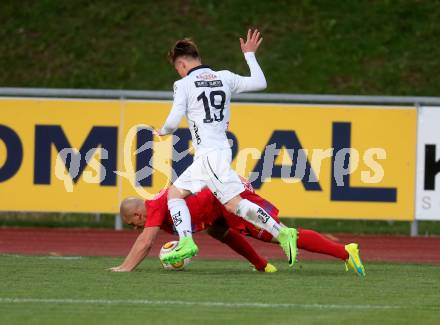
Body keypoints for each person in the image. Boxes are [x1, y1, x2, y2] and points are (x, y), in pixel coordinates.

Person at [155, 29, 298, 266]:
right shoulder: (224, 77)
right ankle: (186, 241)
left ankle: (282, 232)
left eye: (177, 68)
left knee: (234, 205)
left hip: (209, 155)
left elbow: (172, 122)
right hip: (217, 151)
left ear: (181, 64)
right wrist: (250, 55)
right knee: (175, 194)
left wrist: (161, 132)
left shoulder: (184, 84)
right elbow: (260, 83)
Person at [109, 178, 366, 276]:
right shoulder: (158, 205)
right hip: (218, 204)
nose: (136, 229)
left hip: (226, 197)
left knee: (283, 235)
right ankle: (262, 265)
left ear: (137, 213)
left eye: (134, 223)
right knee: (217, 231)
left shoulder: (153, 205)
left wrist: (125, 267)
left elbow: (146, 242)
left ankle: (346, 251)